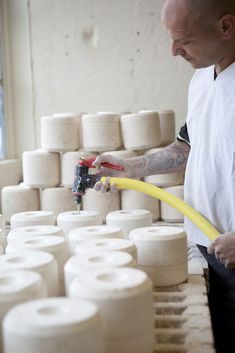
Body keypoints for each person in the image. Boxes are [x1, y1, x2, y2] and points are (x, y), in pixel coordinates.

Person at [92, 1, 235, 352]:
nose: (173, 51)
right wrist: (135, 167)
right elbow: (188, 147)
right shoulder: (202, 77)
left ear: (226, 27)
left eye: (183, 40)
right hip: (210, 244)